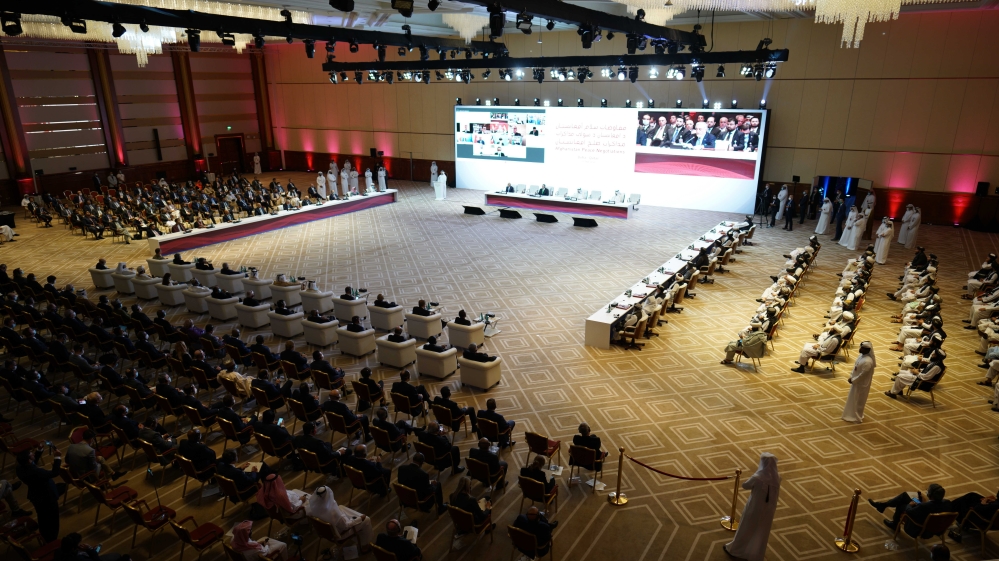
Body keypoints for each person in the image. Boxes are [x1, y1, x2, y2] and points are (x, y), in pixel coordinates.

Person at [723, 453, 781, 560]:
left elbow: (745, 486)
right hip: (769, 509)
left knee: (746, 527)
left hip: (754, 507)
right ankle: (756, 554)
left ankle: (735, 550)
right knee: (761, 531)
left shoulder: (758, 477)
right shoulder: (777, 477)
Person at [16, 448, 64, 543]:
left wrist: (39, 450)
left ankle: (44, 536)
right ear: (28, 460)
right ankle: (52, 541)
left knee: (42, 518)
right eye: (31, 454)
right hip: (47, 497)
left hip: (35, 496)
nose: (33, 454)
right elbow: (54, 473)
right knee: (53, 519)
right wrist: (57, 457)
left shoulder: (20, 468)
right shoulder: (36, 472)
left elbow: (32, 463)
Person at [305, 485, 373, 550]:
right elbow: (346, 526)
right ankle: (365, 546)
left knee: (341, 507)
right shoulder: (333, 513)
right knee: (367, 519)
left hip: (324, 532)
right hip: (339, 535)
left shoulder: (312, 508)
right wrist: (360, 519)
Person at [868, 483, 951, 534]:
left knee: (901, 505)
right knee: (905, 495)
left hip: (918, 527)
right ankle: (883, 505)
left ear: (930, 495)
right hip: (936, 527)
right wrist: (922, 502)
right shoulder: (947, 503)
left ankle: (893, 522)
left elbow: (909, 511)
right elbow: (931, 507)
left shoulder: (923, 506)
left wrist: (910, 504)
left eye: (928, 491)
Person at [842, 342, 875, 423]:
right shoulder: (861, 356)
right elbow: (855, 367)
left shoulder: (868, 362)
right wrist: (851, 376)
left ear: (867, 350)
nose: (860, 349)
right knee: (853, 399)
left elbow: (863, 375)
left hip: (861, 384)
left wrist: (853, 380)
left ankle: (856, 417)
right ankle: (850, 414)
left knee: (858, 400)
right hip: (855, 381)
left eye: (862, 348)